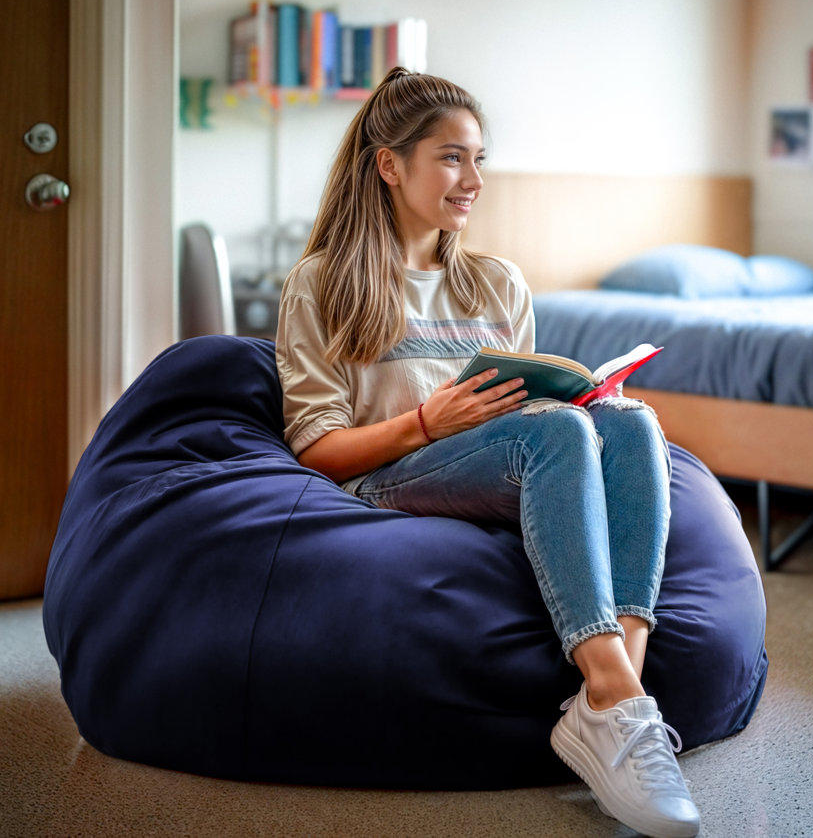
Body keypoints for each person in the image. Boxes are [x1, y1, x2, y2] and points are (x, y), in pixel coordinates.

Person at [275, 67, 700, 838]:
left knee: (631, 421)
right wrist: (424, 423)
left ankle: (616, 698)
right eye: (452, 158)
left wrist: (582, 401)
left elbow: (533, 413)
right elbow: (317, 451)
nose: (474, 180)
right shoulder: (322, 284)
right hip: (389, 476)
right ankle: (613, 697)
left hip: (501, 462)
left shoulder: (497, 283)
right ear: (389, 164)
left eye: (479, 159)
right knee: (558, 432)